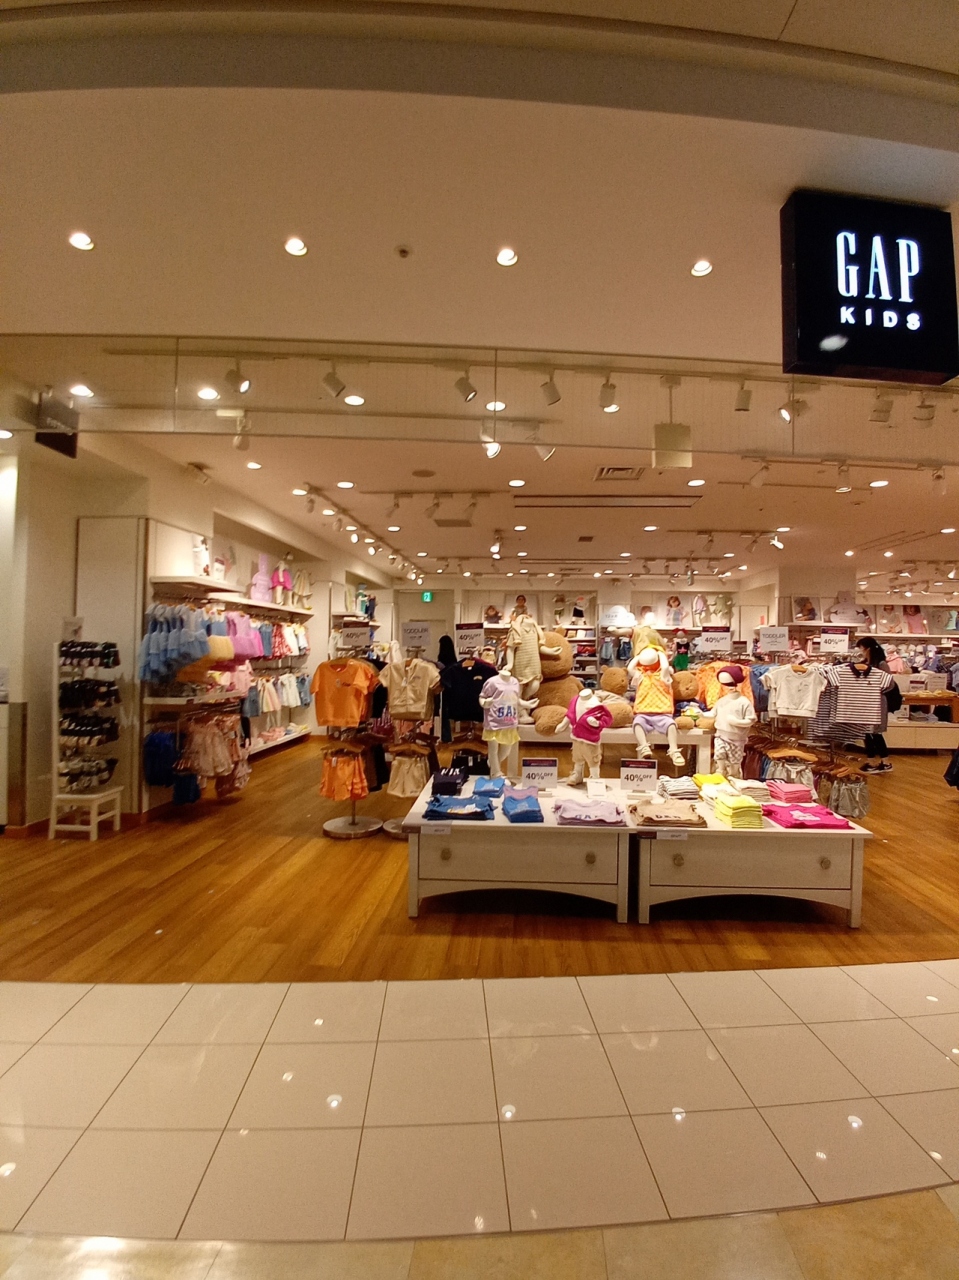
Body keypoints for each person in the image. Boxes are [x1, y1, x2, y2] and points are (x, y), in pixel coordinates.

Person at [855, 637, 893, 773]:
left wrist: (875, 691)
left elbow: (889, 684)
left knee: (875, 732)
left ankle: (883, 762)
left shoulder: (881, 664)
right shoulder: (864, 664)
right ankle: (873, 761)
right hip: (866, 702)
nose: (861, 652)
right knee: (867, 732)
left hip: (877, 702)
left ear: (868, 649)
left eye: (862, 649)